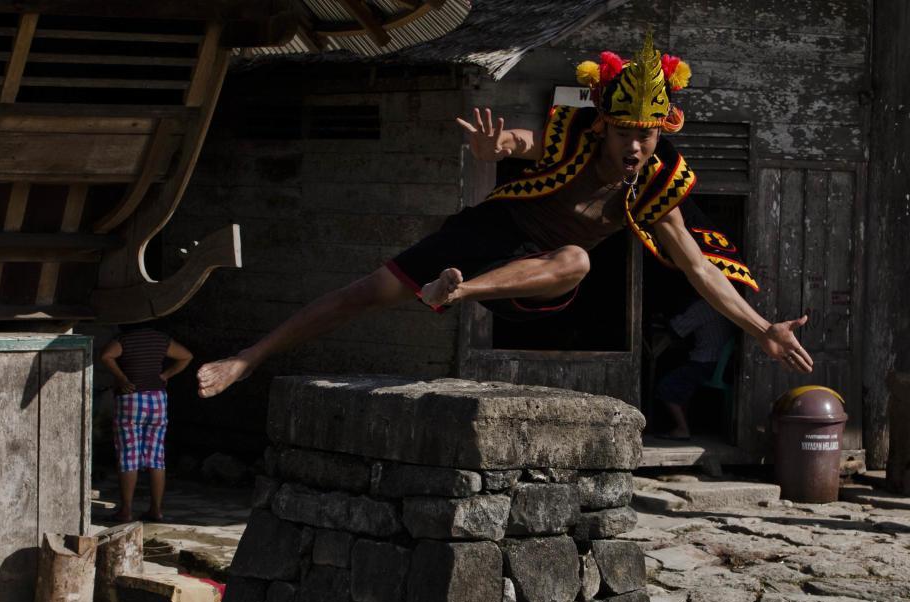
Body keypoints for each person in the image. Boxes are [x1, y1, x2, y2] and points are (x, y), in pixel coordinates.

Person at [197, 30, 813, 399]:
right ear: (603, 125)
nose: (635, 146)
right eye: (625, 131)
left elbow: (700, 270)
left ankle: (456, 296)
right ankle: (248, 357)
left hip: (535, 275)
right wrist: (497, 149)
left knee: (577, 259)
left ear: (661, 133)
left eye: (647, 135)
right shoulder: (569, 135)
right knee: (363, 292)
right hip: (489, 232)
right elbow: (520, 142)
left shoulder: (658, 183)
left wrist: (762, 330)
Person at [101, 323, 193, 522]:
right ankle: (156, 510)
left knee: (129, 456)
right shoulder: (161, 339)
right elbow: (186, 356)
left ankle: (126, 511)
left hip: (131, 399)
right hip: (157, 399)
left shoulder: (124, 340)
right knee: (156, 456)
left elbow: (106, 355)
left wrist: (122, 378)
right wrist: (165, 375)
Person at [653, 298, 736, 441]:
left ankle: (682, 429)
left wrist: (662, 319)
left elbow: (677, 328)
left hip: (707, 361)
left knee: (667, 387)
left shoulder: (703, 306)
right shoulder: (725, 302)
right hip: (725, 362)